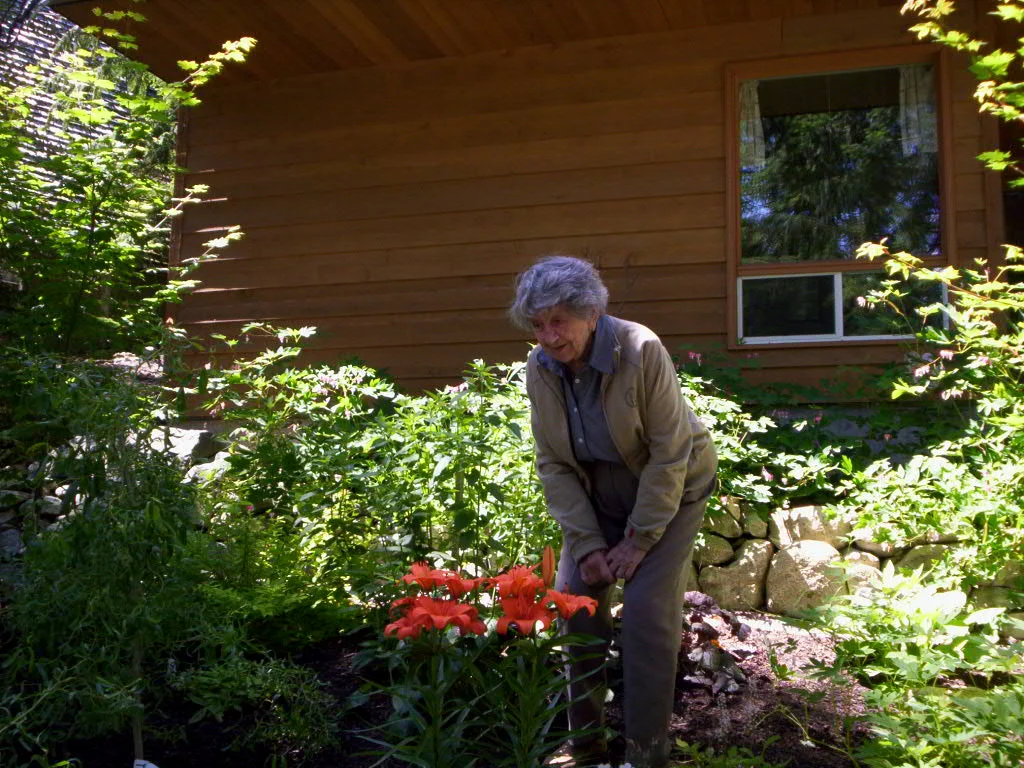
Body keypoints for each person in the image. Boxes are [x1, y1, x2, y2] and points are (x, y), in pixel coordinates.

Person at [508, 255, 717, 768]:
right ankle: (587, 748)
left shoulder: (639, 348)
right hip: (596, 494)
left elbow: (671, 451)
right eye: (537, 325)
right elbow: (553, 462)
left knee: (647, 617)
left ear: (592, 312)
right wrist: (588, 544)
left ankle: (647, 755)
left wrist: (639, 539)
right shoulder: (540, 368)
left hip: (671, 487)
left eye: (558, 320)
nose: (548, 336)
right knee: (576, 608)